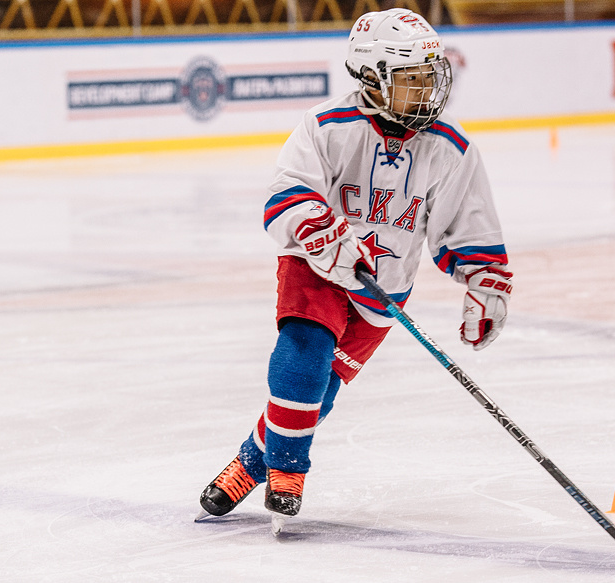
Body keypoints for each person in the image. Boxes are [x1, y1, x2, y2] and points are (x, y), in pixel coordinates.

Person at [198, 8, 513, 529]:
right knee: (306, 350)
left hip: (385, 286)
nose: (427, 89)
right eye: (412, 78)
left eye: (430, 76)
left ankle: (249, 463)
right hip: (317, 266)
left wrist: (484, 281)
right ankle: (287, 470)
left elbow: (468, 222)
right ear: (372, 76)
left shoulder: (450, 146)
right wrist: (323, 233)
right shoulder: (326, 126)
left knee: (321, 391)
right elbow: (287, 194)